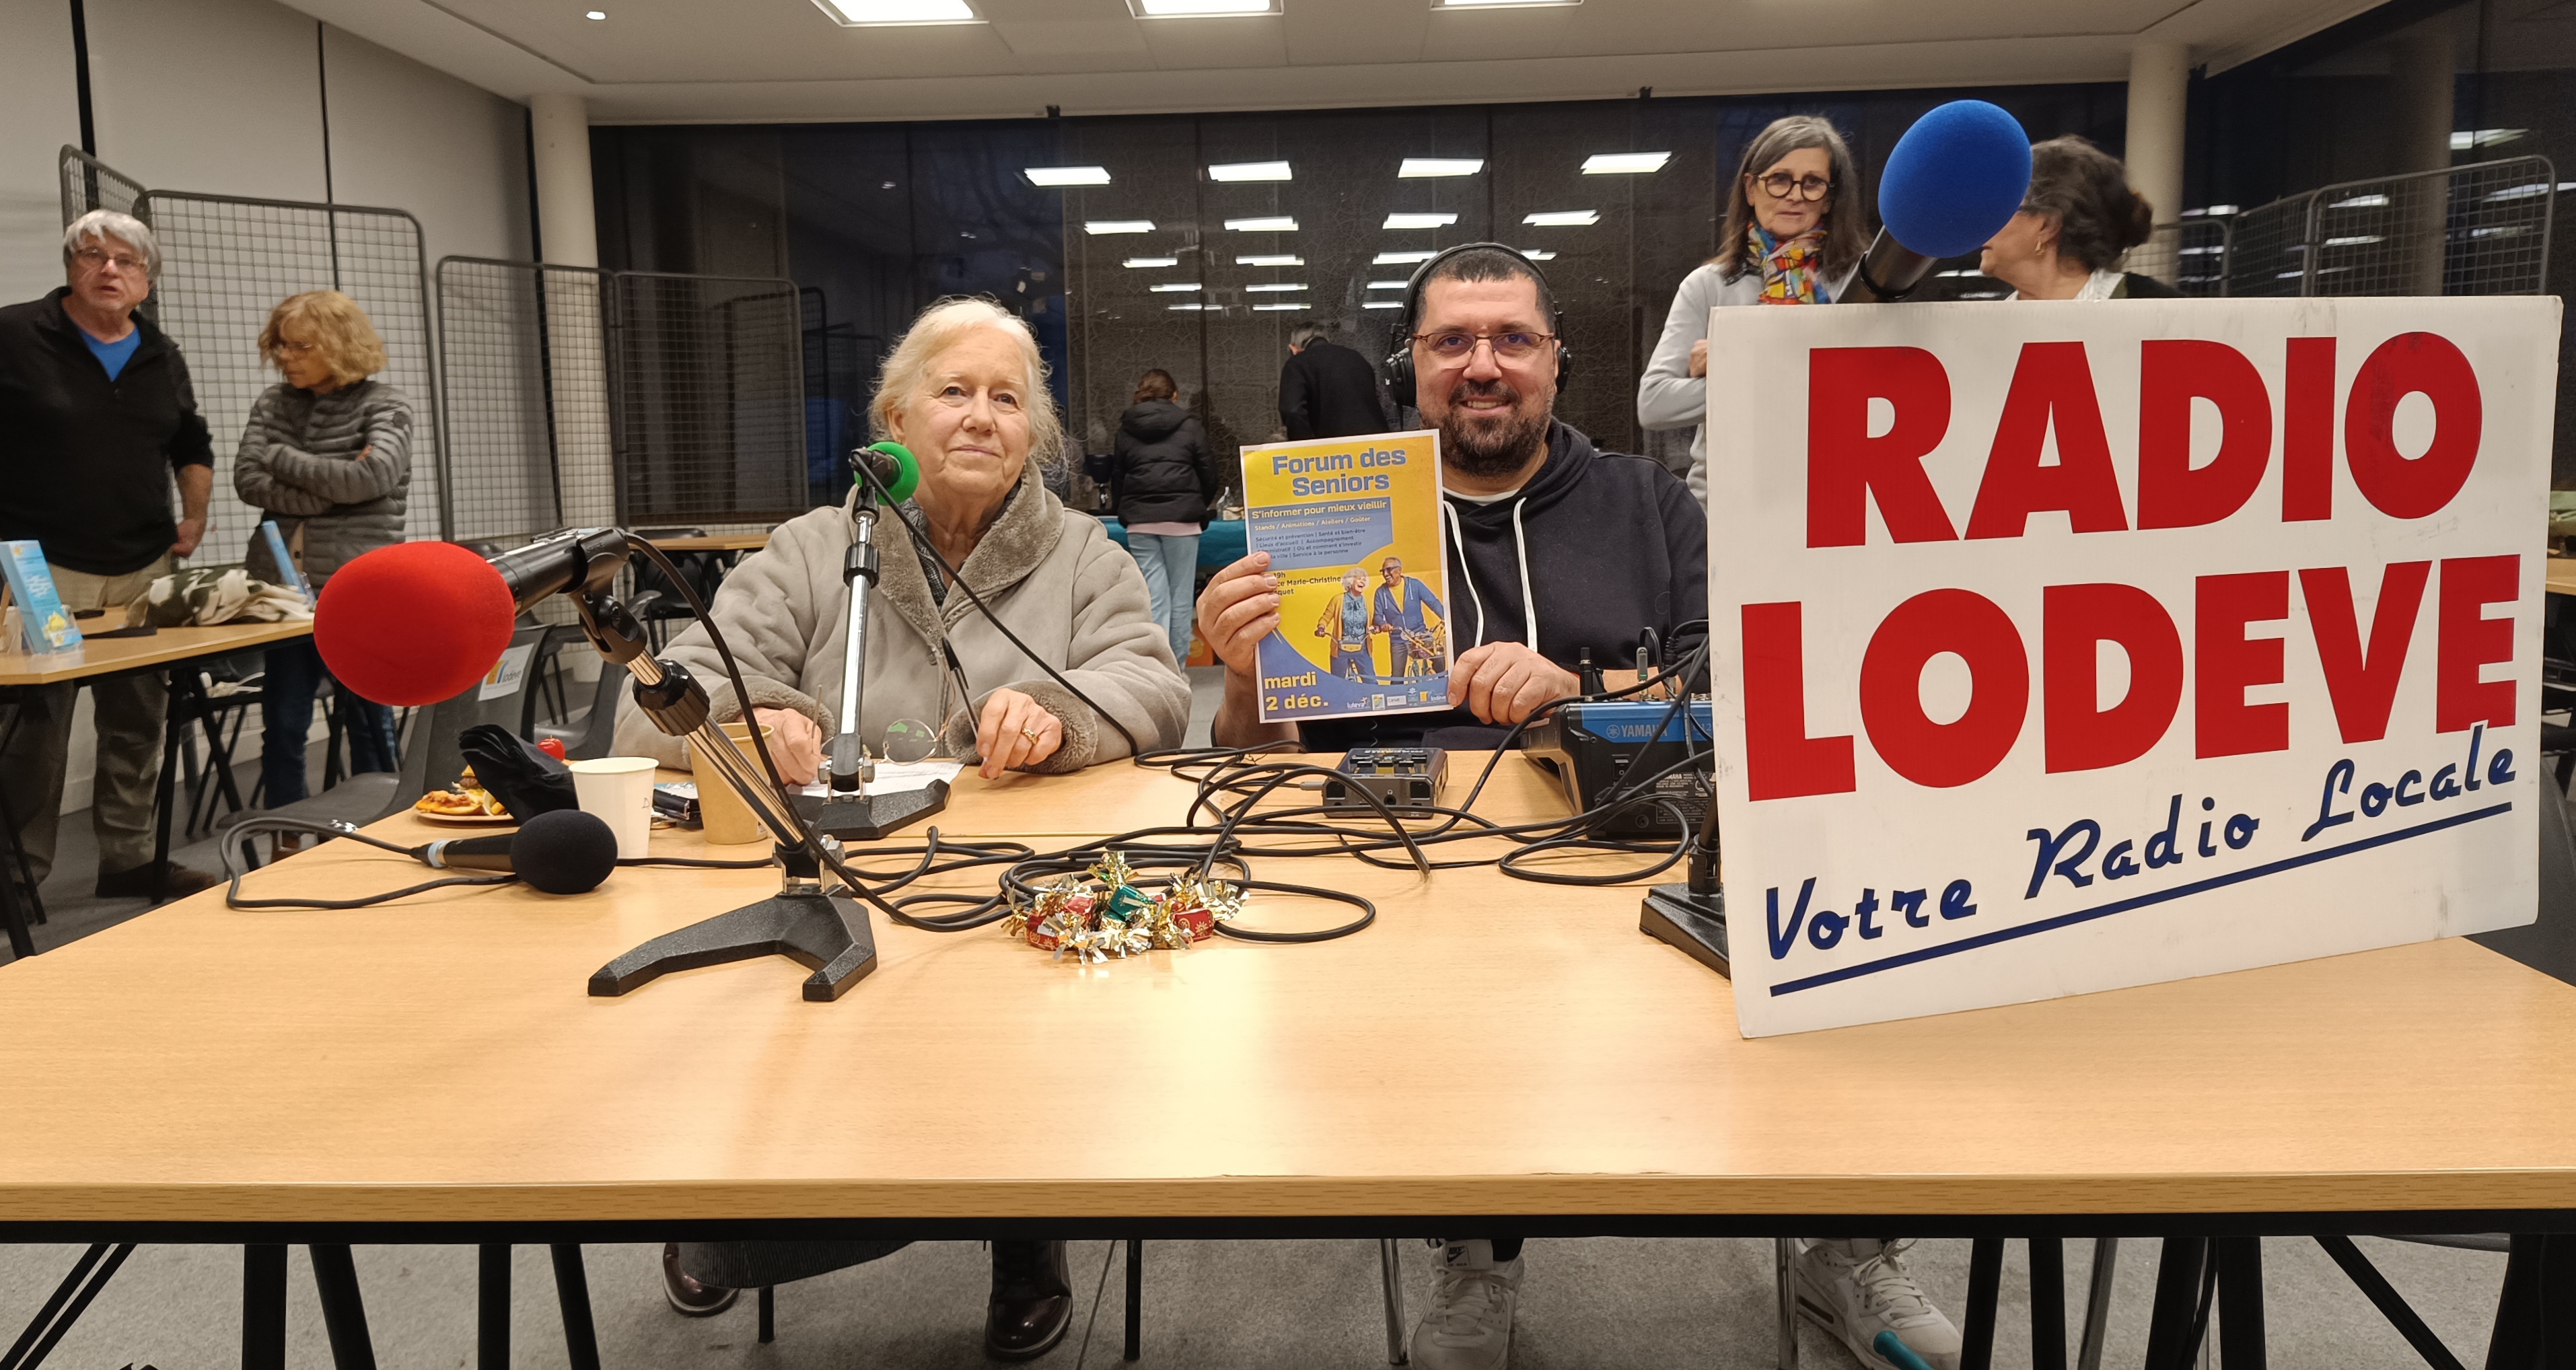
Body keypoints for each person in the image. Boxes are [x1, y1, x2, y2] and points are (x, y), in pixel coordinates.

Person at [612, 295, 1188, 1361]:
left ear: (1037, 435)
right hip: (828, 875)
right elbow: (655, 697)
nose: (981, 417)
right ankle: (729, 1205)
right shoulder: (811, 547)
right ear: (895, 417)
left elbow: (1154, 688)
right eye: (954, 391)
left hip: (1000, 889)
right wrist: (751, 719)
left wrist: (1059, 718)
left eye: (1007, 399)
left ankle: (1026, 1231)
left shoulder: (1085, 554)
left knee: (1033, 1003)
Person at [1198, 244, 1704, 1369]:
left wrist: (1573, 695)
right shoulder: (1331, 517)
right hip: (1394, 887)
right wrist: (1241, 676)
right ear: (1409, 366)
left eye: (1511, 339)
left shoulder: (1645, 500)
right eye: (1450, 343)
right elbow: (1248, 772)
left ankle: (1844, 1245)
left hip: (1612, 869)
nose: (1483, 366)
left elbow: (1722, 694)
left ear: (1556, 363)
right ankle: (1475, 1245)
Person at [0, 210, 219, 899]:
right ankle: (17, 875)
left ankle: (127, 860)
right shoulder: (12, 335)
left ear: (145, 280)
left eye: (126, 259)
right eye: (93, 255)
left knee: (138, 720)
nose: (109, 269)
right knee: (35, 729)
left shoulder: (161, 353)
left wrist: (194, 516)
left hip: (143, 564)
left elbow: (190, 442)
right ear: (71, 267)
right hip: (40, 564)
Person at [236, 291, 410, 827]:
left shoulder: (385, 405)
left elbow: (374, 476)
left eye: (300, 346)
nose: (285, 357)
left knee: (368, 717)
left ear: (338, 345)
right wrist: (329, 489)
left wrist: (284, 459)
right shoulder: (272, 402)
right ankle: (284, 832)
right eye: (280, 346)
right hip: (282, 593)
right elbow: (248, 478)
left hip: (357, 588)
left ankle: (383, 821)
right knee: (284, 722)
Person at [1638, 116, 1866, 505]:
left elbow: (1872, 388)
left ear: (1829, 197)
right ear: (1751, 188)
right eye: (1779, 179)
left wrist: (1736, 355)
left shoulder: (1860, 285)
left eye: (1812, 183)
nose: (1795, 195)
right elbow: (1655, 404)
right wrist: (1770, 371)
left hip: (1835, 499)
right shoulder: (1707, 285)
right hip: (1726, 507)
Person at [1980, 135, 2180, 301]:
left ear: (2047, 226)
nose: (1983, 222)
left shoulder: (2161, 311)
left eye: (2001, 208)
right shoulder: (1981, 326)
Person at [1110, 367, 1217, 666]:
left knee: (1155, 601)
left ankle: (1157, 671)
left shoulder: (1125, 430)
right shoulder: (1191, 426)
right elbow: (1209, 473)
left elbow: (1117, 476)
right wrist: (1197, 504)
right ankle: (1176, 671)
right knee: (1181, 600)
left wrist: (1126, 509)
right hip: (1183, 523)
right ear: (1174, 396)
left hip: (1140, 522)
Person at [1277, 321, 1388, 439]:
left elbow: (1292, 410)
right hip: (1378, 445)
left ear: (1295, 348)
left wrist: (1304, 447)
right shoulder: (1356, 357)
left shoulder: (1297, 363)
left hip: (1336, 450)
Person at [1371, 555, 1445, 680]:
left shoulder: (1414, 585)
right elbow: (1377, 616)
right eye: (1383, 571)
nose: (1385, 574)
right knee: (1397, 677)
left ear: (1399, 570)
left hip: (1419, 635)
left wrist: (1446, 619)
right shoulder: (1380, 592)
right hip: (1398, 638)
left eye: (1388, 570)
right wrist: (1383, 624)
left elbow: (1433, 602)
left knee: (1439, 657)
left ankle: (1440, 684)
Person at [1316, 567, 1376, 681]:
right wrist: (1321, 628)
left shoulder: (1368, 601)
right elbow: (1325, 618)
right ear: (1350, 581)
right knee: (1337, 682)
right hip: (1341, 646)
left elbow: (1374, 620)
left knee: (1371, 682)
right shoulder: (1338, 600)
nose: (1362, 581)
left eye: (1364, 579)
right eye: (1359, 579)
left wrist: (1376, 627)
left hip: (1362, 646)